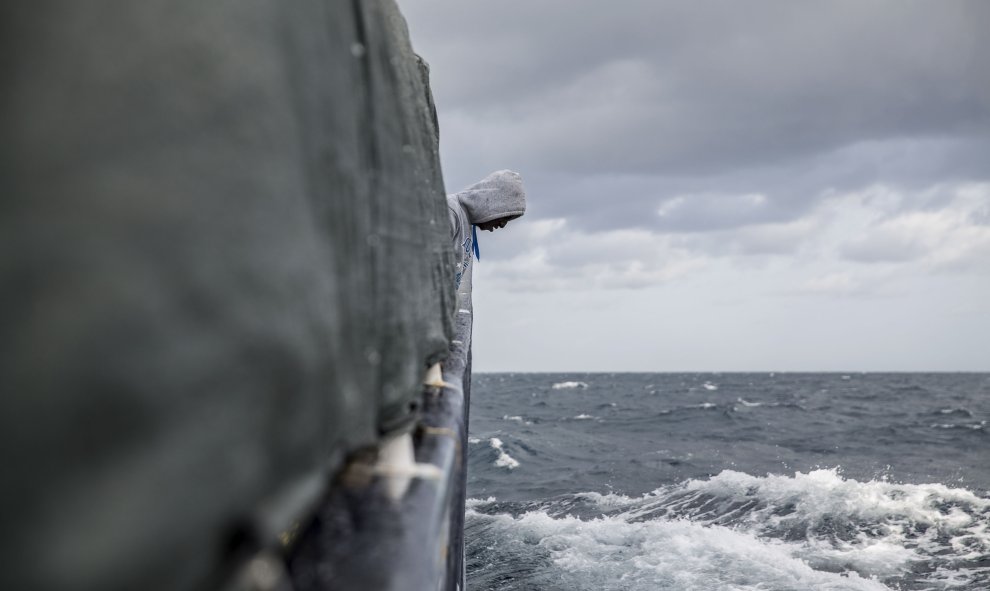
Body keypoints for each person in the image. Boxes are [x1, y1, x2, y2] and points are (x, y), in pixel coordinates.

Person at [447, 170, 526, 289]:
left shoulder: (465, 221)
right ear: (494, 203)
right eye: (505, 216)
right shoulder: (450, 211)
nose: (503, 224)